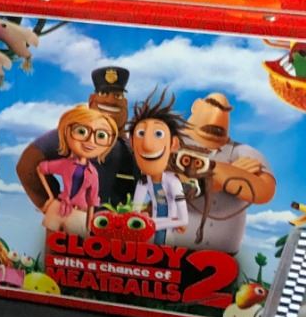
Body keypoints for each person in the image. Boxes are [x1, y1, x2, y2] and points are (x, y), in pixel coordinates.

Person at [156, 92, 276, 255]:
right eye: (213, 104)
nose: (218, 113)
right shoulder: (167, 140)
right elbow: (168, 184)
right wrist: (229, 175)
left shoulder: (242, 152)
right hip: (167, 250)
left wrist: (200, 172)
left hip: (224, 259)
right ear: (196, 105)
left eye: (225, 109)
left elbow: (264, 191)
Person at [16, 65, 139, 214]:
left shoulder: (134, 145)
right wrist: (51, 203)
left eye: (117, 96)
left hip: (119, 222)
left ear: (125, 103)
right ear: (92, 100)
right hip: (76, 218)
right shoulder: (75, 135)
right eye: (104, 93)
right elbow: (27, 165)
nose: (110, 100)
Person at [36, 105, 120, 232]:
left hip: (79, 213)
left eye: (101, 135)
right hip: (59, 208)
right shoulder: (65, 164)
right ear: (67, 131)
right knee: (49, 240)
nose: (90, 141)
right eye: (81, 131)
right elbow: (41, 169)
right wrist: (50, 197)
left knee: (76, 242)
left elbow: (92, 201)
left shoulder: (93, 173)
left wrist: (89, 225)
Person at [128, 89, 189, 232]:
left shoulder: (173, 182)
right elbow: (134, 213)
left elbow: (183, 220)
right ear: (132, 143)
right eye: (141, 134)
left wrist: (150, 223)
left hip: (167, 234)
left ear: (173, 144)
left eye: (158, 134)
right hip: (149, 232)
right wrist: (141, 218)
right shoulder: (143, 182)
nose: (147, 145)